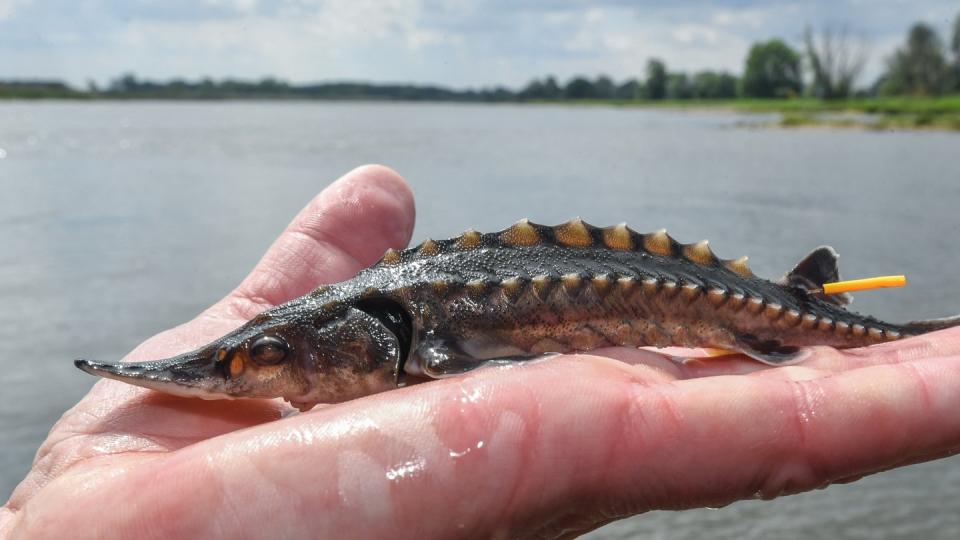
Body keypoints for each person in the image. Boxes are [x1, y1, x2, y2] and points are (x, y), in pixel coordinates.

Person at [3, 165, 960, 539]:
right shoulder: (406, 326)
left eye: (261, 362)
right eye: (257, 361)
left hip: (752, 308)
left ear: (374, 339)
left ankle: (857, 324)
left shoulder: (431, 333)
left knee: (854, 338)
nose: (247, 378)